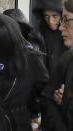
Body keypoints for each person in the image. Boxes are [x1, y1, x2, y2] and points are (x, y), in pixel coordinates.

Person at [41, 0, 73, 130]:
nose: (60, 27)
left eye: (66, 20)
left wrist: (65, 100)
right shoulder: (67, 61)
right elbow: (48, 99)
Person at [33, 0, 68, 77]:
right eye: (46, 16)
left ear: (62, 15)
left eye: (55, 16)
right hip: (43, 82)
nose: (50, 21)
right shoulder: (36, 33)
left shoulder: (69, 32)